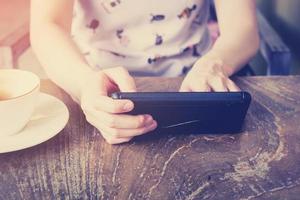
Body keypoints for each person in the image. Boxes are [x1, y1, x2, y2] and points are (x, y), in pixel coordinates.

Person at [30, 0, 259, 144]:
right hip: (97, 83)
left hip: (198, 83)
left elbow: (243, 28)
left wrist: (214, 64)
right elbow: (48, 24)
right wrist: (83, 84)